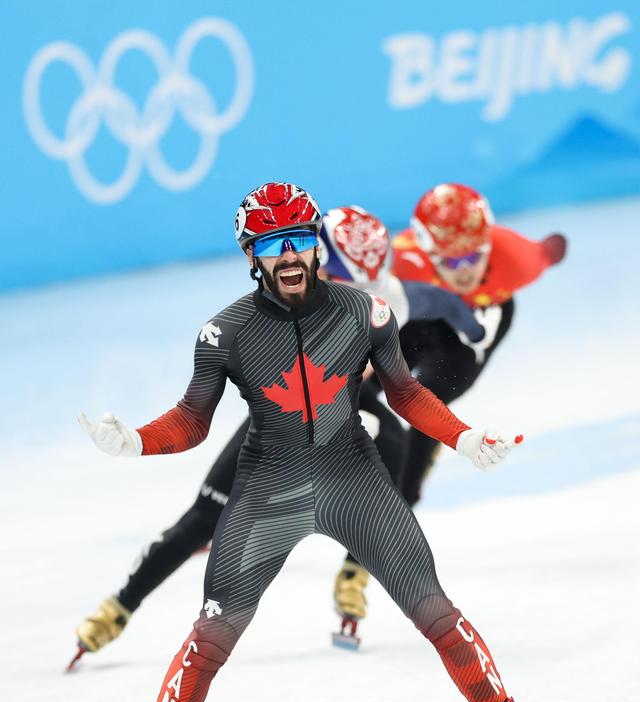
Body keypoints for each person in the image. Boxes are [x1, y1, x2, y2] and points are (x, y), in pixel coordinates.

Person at [79, 182, 559, 702]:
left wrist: (464, 436)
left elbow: (406, 393)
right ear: (252, 254)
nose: (289, 255)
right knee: (211, 636)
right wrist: (137, 441)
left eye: (299, 240)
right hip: (267, 488)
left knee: (437, 613)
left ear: (316, 246)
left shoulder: (368, 311)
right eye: (273, 244)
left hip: (353, 479)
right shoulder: (225, 331)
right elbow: (192, 420)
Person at [72, 206, 485, 661]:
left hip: (346, 405)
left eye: (367, 286)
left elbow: (438, 302)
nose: (355, 298)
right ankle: (120, 605)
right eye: (344, 283)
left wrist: (473, 327)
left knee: (395, 445)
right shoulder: (273, 304)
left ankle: (355, 570)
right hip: (282, 418)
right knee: (204, 519)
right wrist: (138, 441)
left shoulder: (386, 300)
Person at [336, 183, 568, 619]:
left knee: (429, 407)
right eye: (450, 261)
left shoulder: (517, 258)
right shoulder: (403, 257)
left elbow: (551, 250)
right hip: (424, 313)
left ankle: (363, 555)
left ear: (488, 243)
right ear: (426, 250)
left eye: (472, 257)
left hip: (472, 331)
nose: (463, 271)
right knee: (358, 382)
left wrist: (553, 246)